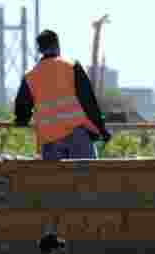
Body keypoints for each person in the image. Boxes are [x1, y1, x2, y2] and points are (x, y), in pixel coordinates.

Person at [14, 30, 109, 160]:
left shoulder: (30, 76)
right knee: (86, 178)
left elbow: (21, 108)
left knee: (55, 179)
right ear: (57, 45)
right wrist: (101, 129)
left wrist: (22, 120)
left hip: (49, 139)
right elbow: (89, 102)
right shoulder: (72, 66)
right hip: (77, 134)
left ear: (39, 49)